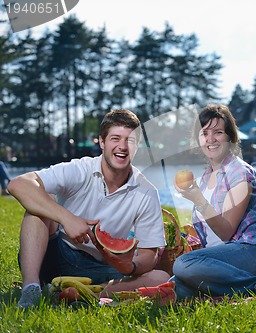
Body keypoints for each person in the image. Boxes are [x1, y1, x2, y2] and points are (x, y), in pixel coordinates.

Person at [8, 109, 170, 308]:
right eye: (115, 138)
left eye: (130, 140)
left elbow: (148, 255)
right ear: (102, 142)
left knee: (161, 277)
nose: (122, 147)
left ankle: (88, 293)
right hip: (56, 255)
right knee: (39, 205)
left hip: (104, 266)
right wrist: (66, 218)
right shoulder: (80, 169)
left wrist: (130, 265)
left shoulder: (147, 192)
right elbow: (18, 184)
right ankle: (31, 288)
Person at [170, 104, 256, 301]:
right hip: (218, 259)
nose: (211, 139)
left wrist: (198, 200)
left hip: (247, 252)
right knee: (176, 286)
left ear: (230, 137)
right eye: (204, 133)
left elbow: (226, 231)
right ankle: (232, 289)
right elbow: (210, 235)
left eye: (218, 132)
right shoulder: (205, 177)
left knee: (183, 264)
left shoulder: (240, 173)